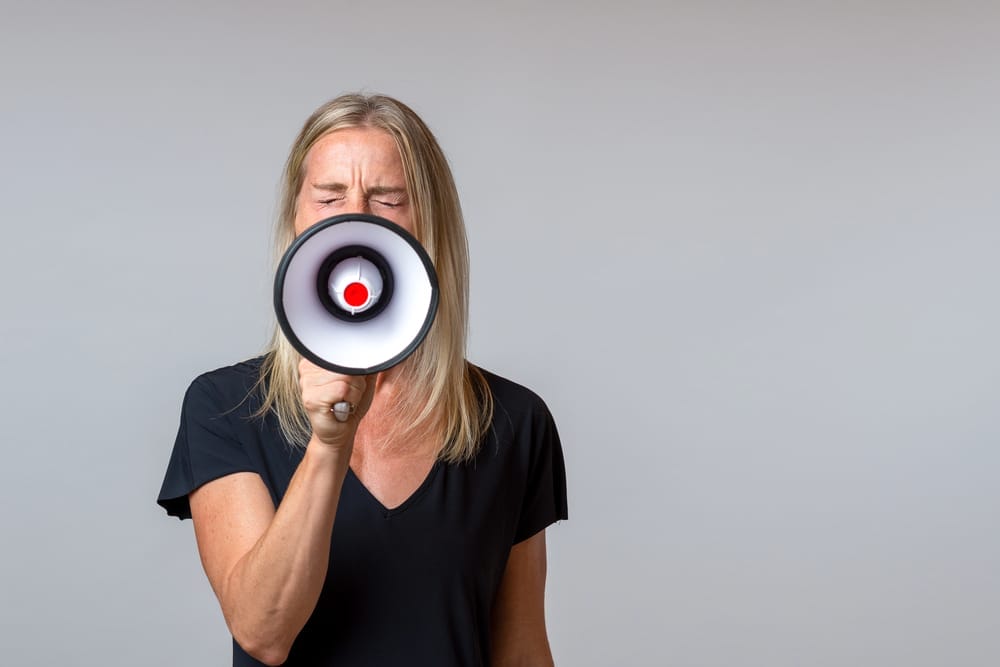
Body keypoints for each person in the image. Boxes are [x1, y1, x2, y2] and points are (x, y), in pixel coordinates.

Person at [157, 93, 568, 666]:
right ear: (295, 218)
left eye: (388, 199)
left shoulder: (512, 421)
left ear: (429, 222)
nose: (356, 216)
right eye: (329, 197)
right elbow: (263, 631)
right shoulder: (225, 408)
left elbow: (521, 650)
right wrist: (331, 441)